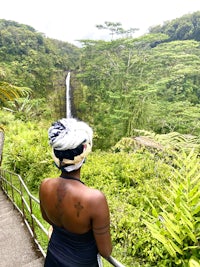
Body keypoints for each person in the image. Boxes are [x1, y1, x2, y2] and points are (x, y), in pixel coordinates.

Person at [39, 118, 112, 267]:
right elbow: (105, 251)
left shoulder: (45, 185)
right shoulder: (94, 199)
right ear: (84, 151)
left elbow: (47, 218)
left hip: (53, 258)